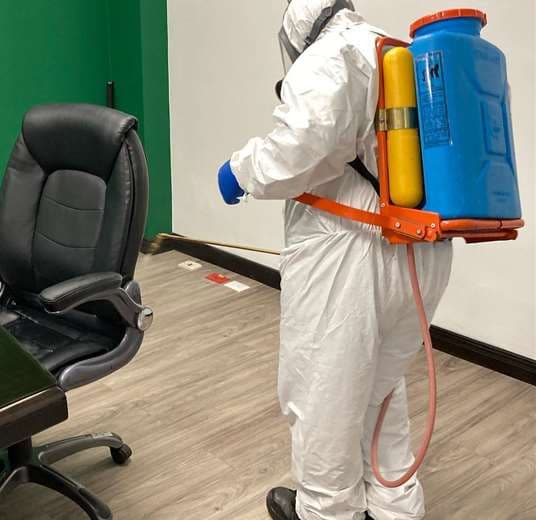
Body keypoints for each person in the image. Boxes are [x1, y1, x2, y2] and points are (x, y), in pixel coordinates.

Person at [217, 1, 453, 519]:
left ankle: (325, 511)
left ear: (297, 25)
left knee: (322, 392)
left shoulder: (332, 54)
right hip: (419, 249)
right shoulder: (394, 50)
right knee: (380, 389)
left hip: (351, 252)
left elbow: (296, 150)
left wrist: (240, 170)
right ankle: (394, 507)